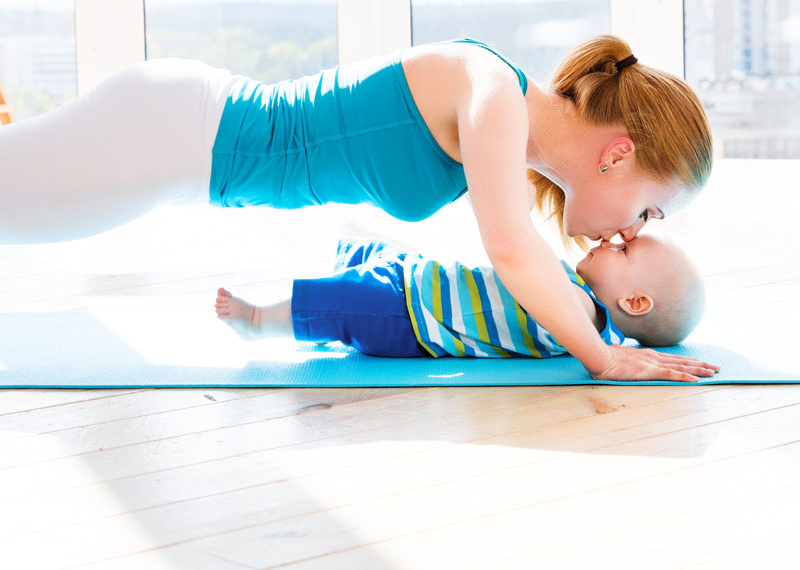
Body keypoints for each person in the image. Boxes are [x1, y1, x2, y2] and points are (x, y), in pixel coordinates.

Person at [0, 36, 715, 381]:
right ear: (619, 153)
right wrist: (605, 358)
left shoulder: (503, 115)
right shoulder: (496, 96)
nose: (635, 229)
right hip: (175, 136)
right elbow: (510, 248)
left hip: (185, 147)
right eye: (650, 211)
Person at [213, 234, 717, 381]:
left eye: (624, 251)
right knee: (366, 253)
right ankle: (327, 313)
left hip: (414, 319)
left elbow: (523, 247)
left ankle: (259, 323)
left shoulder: (582, 316)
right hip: (420, 281)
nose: (610, 240)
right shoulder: (582, 303)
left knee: (344, 302)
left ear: (634, 301)